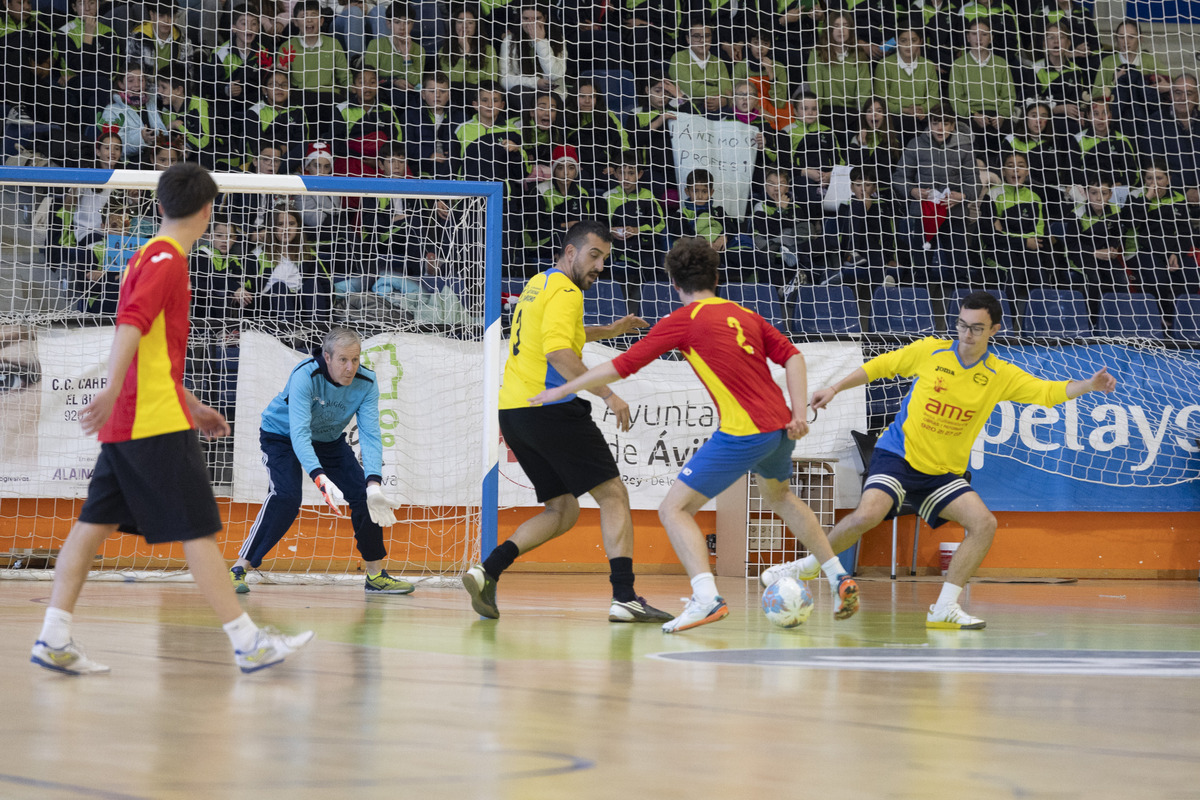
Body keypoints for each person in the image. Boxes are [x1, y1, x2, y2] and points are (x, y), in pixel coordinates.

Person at [31, 163, 314, 675]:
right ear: (208, 212)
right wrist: (114, 386)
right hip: (151, 421)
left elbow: (151, 350)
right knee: (200, 533)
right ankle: (248, 642)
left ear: (161, 206)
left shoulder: (145, 254)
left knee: (89, 529)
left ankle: (53, 636)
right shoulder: (167, 262)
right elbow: (130, 327)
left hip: (137, 416)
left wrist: (192, 402)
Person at [529, 237, 860, 632]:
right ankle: (839, 575)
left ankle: (707, 598)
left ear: (673, 283)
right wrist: (799, 410)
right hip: (779, 428)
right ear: (716, 277)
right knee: (781, 496)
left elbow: (621, 366)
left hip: (744, 431)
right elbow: (794, 355)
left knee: (673, 509)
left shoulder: (683, 321)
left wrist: (562, 389)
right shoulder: (744, 313)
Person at [761, 291, 1118, 629]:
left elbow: (1046, 393)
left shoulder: (999, 375)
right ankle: (809, 566)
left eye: (977, 328)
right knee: (868, 514)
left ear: (994, 329)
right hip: (899, 456)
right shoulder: (931, 352)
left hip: (942, 474)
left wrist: (1088, 385)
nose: (966, 334)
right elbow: (883, 365)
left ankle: (946, 607)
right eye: (962, 325)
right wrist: (836, 388)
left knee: (984, 524)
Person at [463, 220, 670, 623]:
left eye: (605, 259)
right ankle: (624, 596)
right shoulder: (566, 290)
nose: (600, 266)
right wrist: (607, 392)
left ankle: (487, 571)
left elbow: (555, 337)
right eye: (594, 256)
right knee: (613, 494)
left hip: (516, 413)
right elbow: (559, 353)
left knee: (563, 510)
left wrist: (607, 331)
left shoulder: (538, 284)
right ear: (571, 252)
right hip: (551, 408)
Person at [229, 327, 412, 596]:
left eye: (355, 359)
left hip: (328, 440)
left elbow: (372, 435)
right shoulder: (305, 375)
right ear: (327, 357)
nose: (350, 368)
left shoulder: (367, 383)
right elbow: (300, 432)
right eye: (343, 360)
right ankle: (239, 568)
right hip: (282, 435)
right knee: (286, 497)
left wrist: (374, 483)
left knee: (365, 497)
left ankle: (375, 576)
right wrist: (318, 475)